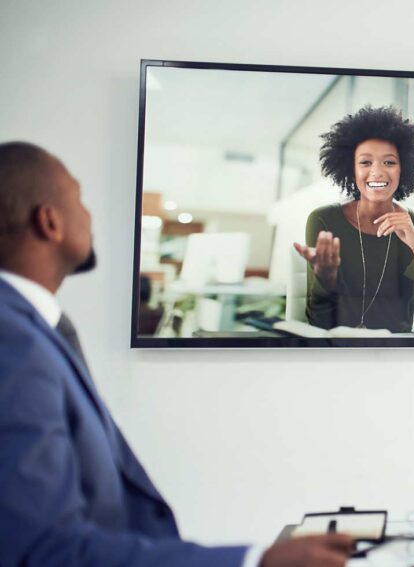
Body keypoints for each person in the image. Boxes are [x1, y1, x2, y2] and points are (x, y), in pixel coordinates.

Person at [0, 141, 355, 567]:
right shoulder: (11, 339)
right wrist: (255, 562)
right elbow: (41, 550)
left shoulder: (31, 328)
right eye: (78, 197)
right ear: (49, 222)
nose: (90, 213)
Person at [293, 106, 414, 333]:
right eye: (365, 162)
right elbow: (319, 324)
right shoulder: (324, 221)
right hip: (338, 353)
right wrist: (325, 278)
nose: (377, 172)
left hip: (396, 355)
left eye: (389, 162)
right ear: (350, 170)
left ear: (403, 169)